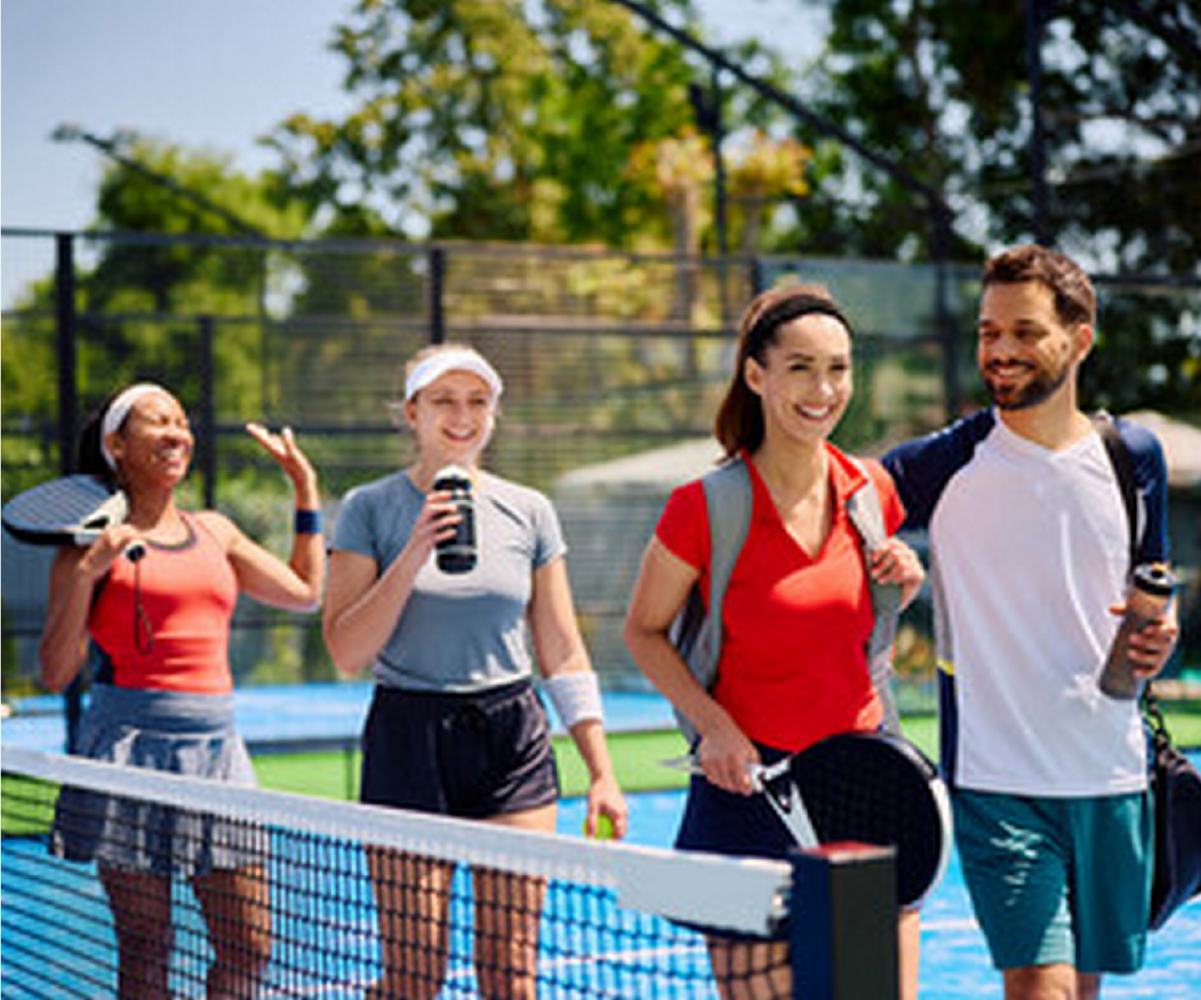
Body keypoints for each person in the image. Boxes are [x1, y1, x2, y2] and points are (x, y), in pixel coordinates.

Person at [882, 245, 1180, 1000]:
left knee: (1080, 989)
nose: (1000, 351)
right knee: (1039, 987)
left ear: (1079, 338)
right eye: (988, 333)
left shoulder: (1131, 457)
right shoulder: (937, 465)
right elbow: (824, 503)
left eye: (1023, 331)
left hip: (1111, 772)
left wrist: (1159, 629)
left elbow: (1151, 581)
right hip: (994, 776)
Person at [623, 285, 927, 1000]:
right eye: (799, 368)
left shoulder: (872, 492)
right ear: (755, 375)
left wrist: (900, 581)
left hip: (866, 793)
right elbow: (642, 632)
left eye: (838, 368)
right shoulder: (700, 506)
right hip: (741, 801)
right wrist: (716, 728)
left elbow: (850, 623)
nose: (822, 390)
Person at [322, 343, 628, 1000]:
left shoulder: (530, 509)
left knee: (510, 972)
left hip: (510, 735)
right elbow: (346, 652)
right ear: (412, 412)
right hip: (407, 734)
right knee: (413, 977)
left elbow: (562, 649)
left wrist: (601, 770)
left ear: (493, 414)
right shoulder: (368, 508)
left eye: (477, 402)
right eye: (443, 401)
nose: (461, 417)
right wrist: (412, 554)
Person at [40, 382, 325, 999]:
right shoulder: (83, 552)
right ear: (117, 445)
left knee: (250, 946)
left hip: (218, 750)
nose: (178, 433)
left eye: (182, 421)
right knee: (146, 949)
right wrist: (89, 570)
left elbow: (306, 592)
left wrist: (304, 490)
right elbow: (57, 672)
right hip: (126, 751)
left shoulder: (216, 532)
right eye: (158, 422)